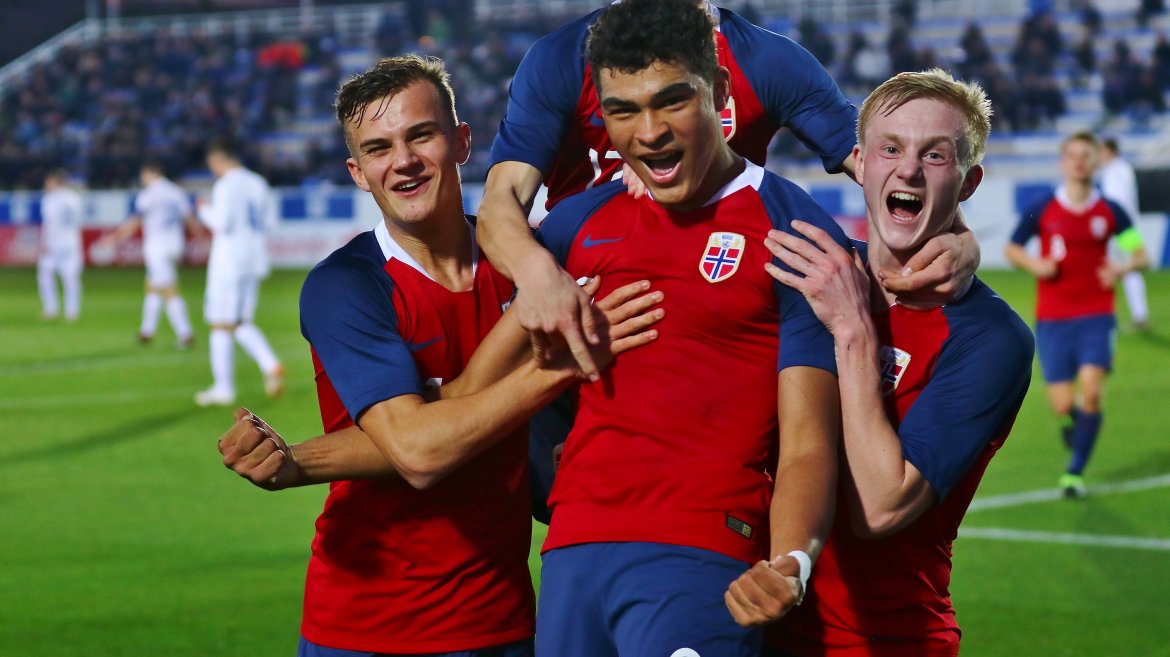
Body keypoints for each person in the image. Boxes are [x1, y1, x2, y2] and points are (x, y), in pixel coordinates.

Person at [216, 55, 662, 657]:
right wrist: (557, 367)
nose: (402, 160)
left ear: (462, 143)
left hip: (502, 618)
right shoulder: (347, 285)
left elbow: (466, 403)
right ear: (357, 172)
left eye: (420, 135)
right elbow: (420, 451)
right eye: (378, 148)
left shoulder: (526, 264)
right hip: (368, 626)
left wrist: (640, 175)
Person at [479, 0, 979, 523]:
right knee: (531, 497)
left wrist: (958, 233)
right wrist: (539, 277)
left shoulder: (769, 61)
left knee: (728, 508)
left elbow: (881, 167)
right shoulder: (560, 57)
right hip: (579, 312)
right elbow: (500, 204)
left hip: (714, 313)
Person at [532, 1, 848, 654]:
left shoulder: (793, 231)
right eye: (623, 111)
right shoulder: (574, 227)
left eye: (671, 101)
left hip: (703, 554)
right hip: (569, 555)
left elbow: (808, 440)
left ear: (721, 92)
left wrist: (792, 559)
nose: (649, 132)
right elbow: (497, 370)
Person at [759, 69, 1035, 657]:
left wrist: (854, 330)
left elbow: (881, 507)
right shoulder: (812, 269)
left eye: (935, 156)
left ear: (968, 182)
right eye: (890, 148)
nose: (908, 169)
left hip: (884, 640)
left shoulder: (992, 338)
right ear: (860, 162)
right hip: (756, 625)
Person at [1006, 131, 1150, 498]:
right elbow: (1013, 248)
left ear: (1096, 161)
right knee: (1062, 403)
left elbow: (1140, 255)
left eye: (1086, 155)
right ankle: (1076, 424)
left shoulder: (1110, 211)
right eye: (1072, 155)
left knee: (1091, 391)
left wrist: (1120, 268)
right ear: (1063, 162)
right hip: (1053, 318)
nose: (1079, 162)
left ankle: (1074, 473)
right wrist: (1036, 265)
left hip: (1096, 315)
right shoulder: (1044, 208)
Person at [194, 138, 285, 407]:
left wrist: (203, 209)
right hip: (254, 258)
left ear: (217, 159)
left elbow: (222, 223)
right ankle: (269, 365)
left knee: (220, 323)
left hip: (229, 261)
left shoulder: (226, 185)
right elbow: (271, 221)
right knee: (240, 321)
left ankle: (226, 387)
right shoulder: (258, 182)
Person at [97, 161, 198, 347]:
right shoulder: (176, 191)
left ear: (150, 173)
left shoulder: (147, 195)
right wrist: (200, 237)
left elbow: (135, 222)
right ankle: (147, 331)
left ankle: (185, 333)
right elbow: (189, 218)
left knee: (168, 289)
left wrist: (113, 239)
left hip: (157, 246)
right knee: (153, 285)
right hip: (175, 243)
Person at [1098, 136, 1151, 331]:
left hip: (1120, 229)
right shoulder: (1122, 169)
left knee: (1122, 269)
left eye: (1102, 150)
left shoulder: (1115, 171)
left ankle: (1127, 316)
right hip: (1125, 228)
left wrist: (1113, 226)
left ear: (1109, 151)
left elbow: (1117, 203)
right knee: (1127, 270)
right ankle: (1138, 315)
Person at [37, 169, 84, 321]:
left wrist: (43, 242)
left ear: (57, 182)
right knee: (70, 278)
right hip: (71, 242)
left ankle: (51, 309)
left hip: (54, 243)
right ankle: (72, 312)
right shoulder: (74, 197)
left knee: (46, 275)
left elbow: (49, 224)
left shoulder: (50, 199)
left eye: (49, 182)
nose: (46, 185)